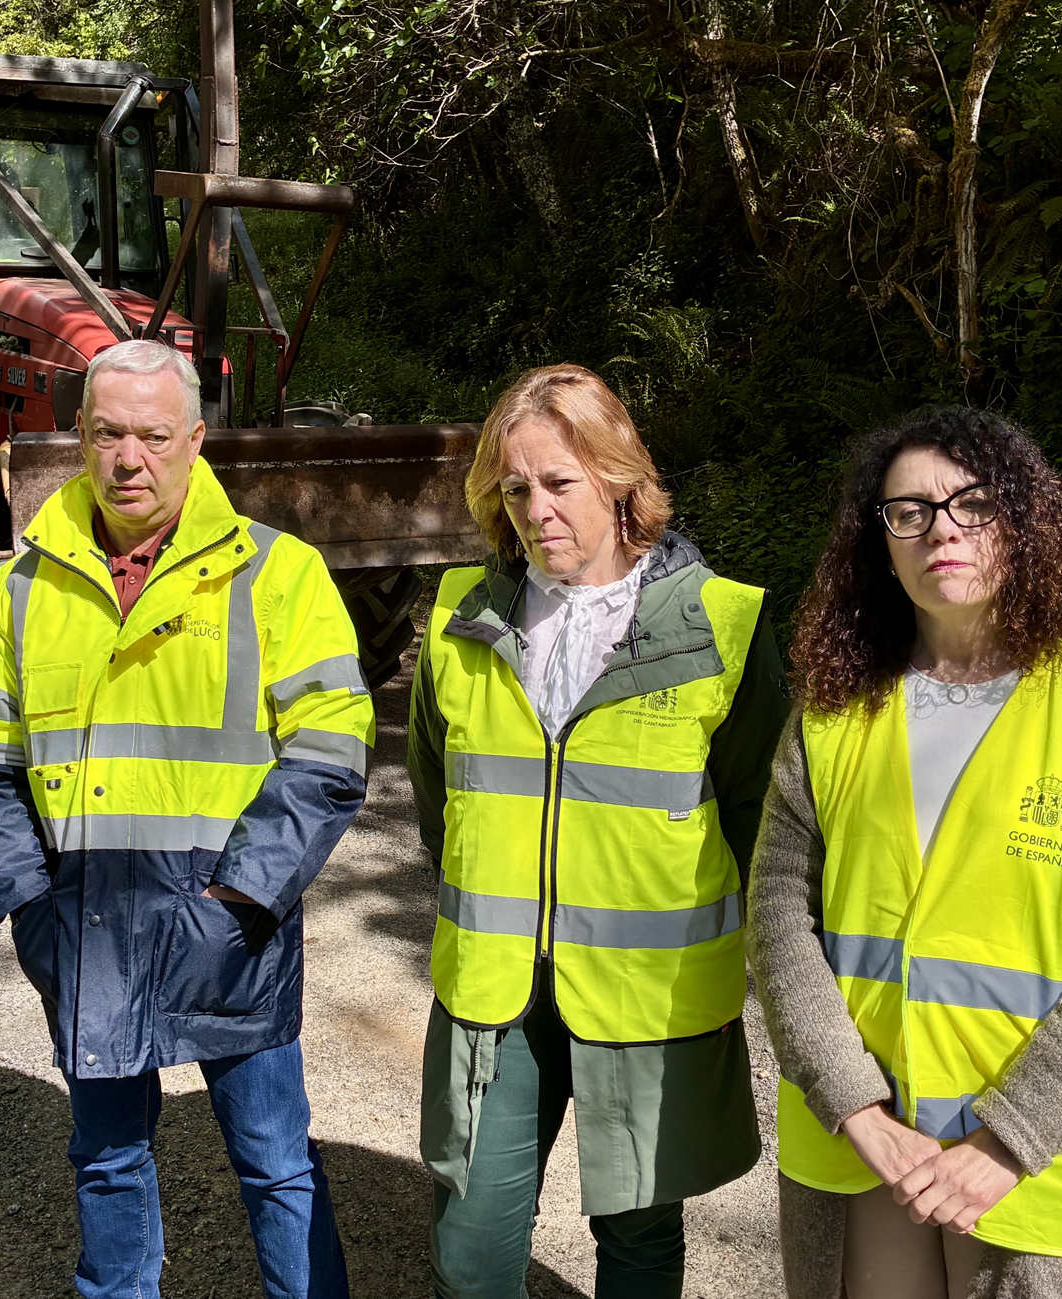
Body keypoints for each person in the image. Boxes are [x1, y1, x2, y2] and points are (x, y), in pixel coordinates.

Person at [0, 337, 373, 1299]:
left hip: (229, 928)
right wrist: (28, 901)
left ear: (196, 440)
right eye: (108, 434)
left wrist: (239, 896)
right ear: (81, 437)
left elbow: (331, 752)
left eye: (153, 435)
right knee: (107, 1162)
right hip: (85, 921)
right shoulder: (25, 585)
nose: (129, 458)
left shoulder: (277, 575)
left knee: (274, 1163)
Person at [746, 407, 1062, 1299]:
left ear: (1023, 521)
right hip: (870, 1149)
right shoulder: (835, 711)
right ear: (880, 542)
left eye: (972, 502)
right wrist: (858, 1109)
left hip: (1037, 1163)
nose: (940, 526)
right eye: (906, 511)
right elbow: (778, 916)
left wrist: (1008, 1140)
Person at [408, 364, 787, 1299]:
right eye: (516, 487)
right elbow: (436, 798)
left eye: (559, 481)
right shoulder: (465, 619)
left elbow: (758, 823)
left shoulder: (721, 626)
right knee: (474, 1248)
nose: (537, 509)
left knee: (640, 1237)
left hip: (644, 996)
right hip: (499, 992)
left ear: (618, 478)